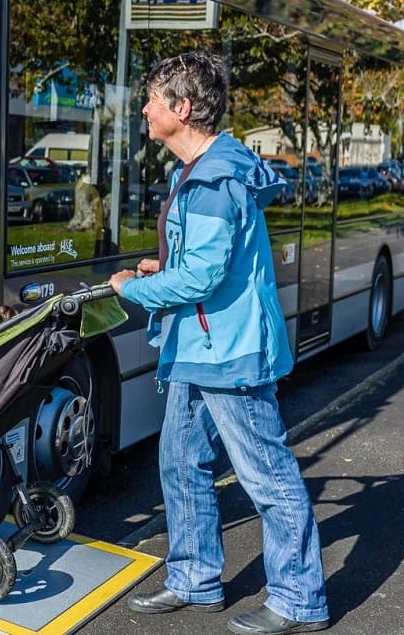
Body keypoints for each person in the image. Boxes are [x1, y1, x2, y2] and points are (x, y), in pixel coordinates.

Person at [107, 51, 328, 635]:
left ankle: (299, 600)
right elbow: (210, 261)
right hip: (199, 347)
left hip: (227, 353)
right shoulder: (203, 169)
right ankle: (194, 579)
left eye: (154, 98)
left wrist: (138, 287)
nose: (145, 108)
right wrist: (168, 263)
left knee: (267, 476)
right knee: (181, 464)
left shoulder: (210, 179)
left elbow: (204, 278)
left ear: (181, 109)